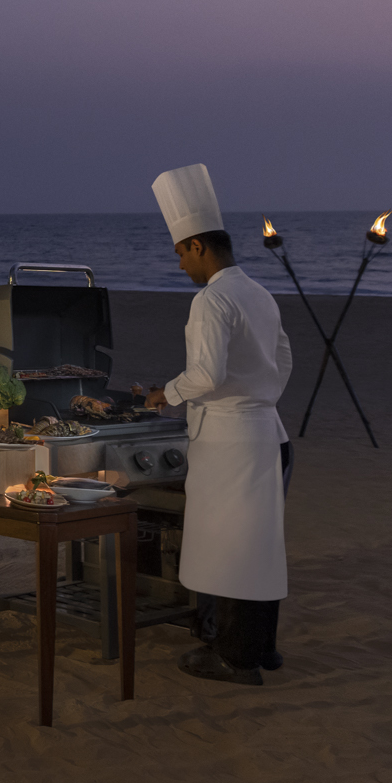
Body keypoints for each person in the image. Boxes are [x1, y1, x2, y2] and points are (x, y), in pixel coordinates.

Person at [146, 164, 293, 686]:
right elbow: (283, 360)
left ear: (198, 246)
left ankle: (234, 658)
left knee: (234, 551)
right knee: (260, 548)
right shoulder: (259, 293)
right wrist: (260, 397)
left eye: (181, 254)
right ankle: (261, 648)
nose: (181, 265)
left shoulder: (211, 299)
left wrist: (167, 394)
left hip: (232, 442)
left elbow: (206, 374)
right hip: (267, 432)